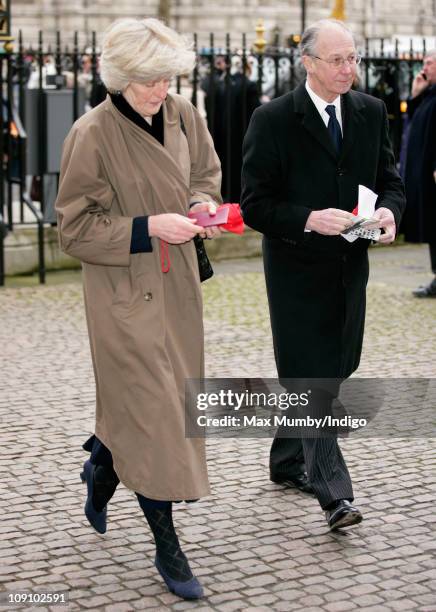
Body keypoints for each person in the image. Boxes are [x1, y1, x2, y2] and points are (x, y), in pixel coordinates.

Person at [55, 18, 222, 600]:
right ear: (120, 76)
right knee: (156, 417)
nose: (160, 89)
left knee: (165, 403)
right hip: (124, 294)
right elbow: (73, 230)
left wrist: (202, 204)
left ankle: (103, 461)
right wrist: (150, 227)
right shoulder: (92, 133)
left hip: (179, 291)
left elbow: (205, 175)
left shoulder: (184, 114)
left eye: (168, 77)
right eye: (149, 79)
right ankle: (167, 546)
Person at [241, 19, 405, 530]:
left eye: (353, 58)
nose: (348, 69)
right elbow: (254, 205)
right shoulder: (272, 120)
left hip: (349, 269)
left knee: (335, 366)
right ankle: (335, 496)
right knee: (312, 379)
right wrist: (308, 218)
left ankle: (287, 459)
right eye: (337, 60)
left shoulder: (371, 111)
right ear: (308, 63)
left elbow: (390, 181)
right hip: (294, 270)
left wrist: (390, 216)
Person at [401, 50, 436, 297]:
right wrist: (416, 94)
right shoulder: (430, 94)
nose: (424, 67)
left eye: (429, 62)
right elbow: (415, 120)